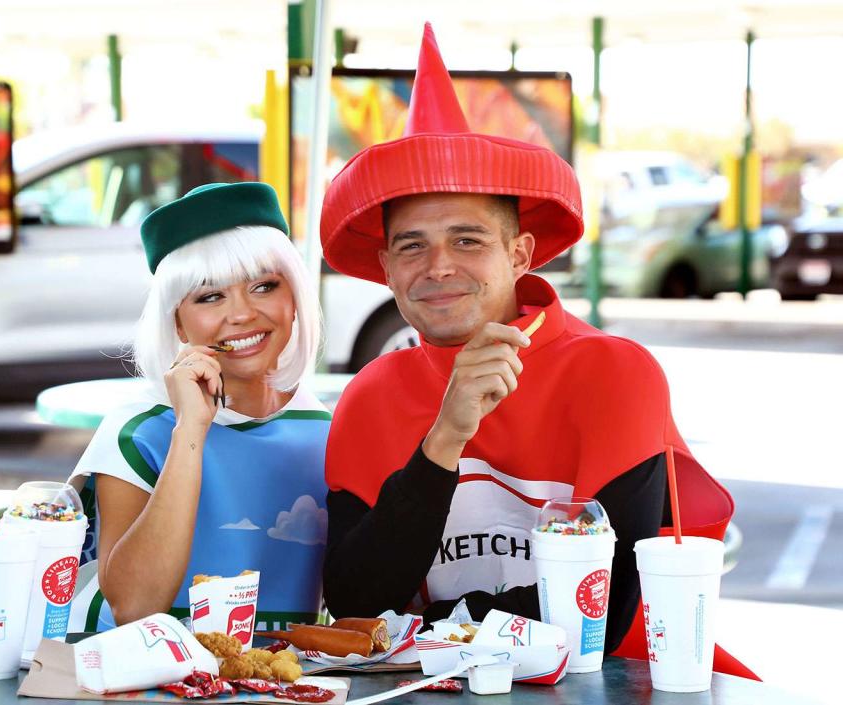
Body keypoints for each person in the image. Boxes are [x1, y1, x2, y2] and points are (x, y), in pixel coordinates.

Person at [318, 24, 755, 678]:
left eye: (468, 240)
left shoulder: (614, 371)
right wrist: (445, 436)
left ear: (518, 253)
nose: (437, 266)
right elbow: (354, 605)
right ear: (385, 265)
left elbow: (599, 616)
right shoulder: (367, 397)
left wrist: (427, 628)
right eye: (411, 245)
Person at [67, 182, 330, 633]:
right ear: (176, 320)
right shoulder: (137, 431)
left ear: (294, 301)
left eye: (264, 286)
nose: (242, 314)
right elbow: (133, 607)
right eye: (210, 297)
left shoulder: (326, 431)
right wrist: (190, 428)